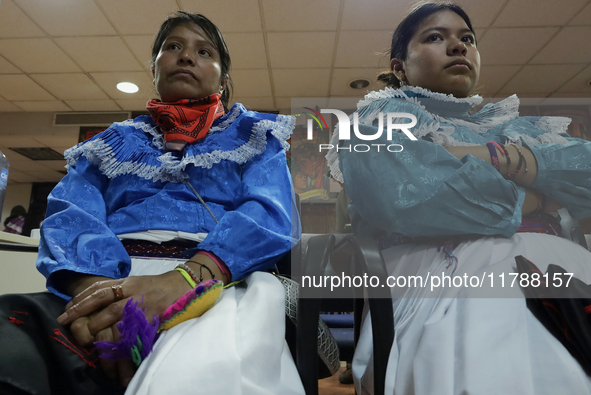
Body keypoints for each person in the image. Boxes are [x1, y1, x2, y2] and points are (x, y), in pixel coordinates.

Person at [0, 11, 303, 395]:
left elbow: (269, 214)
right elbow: (71, 216)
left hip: (219, 281)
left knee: (201, 370)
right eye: (172, 46)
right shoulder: (112, 141)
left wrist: (187, 277)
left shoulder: (256, 136)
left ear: (224, 82)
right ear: (155, 69)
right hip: (105, 279)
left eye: (204, 51)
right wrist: (104, 300)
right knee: (12, 337)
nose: (186, 56)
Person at [326, 2, 591, 394]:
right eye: (435, 37)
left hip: (560, 261)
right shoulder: (379, 119)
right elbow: (410, 198)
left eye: (467, 38)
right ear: (400, 68)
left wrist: (486, 157)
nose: (458, 46)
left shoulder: (512, 124)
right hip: (439, 269)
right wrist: (541, 196)